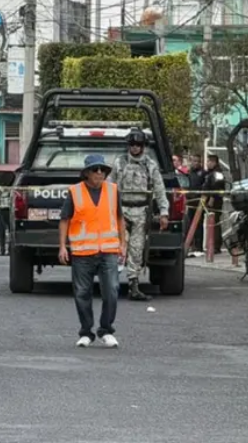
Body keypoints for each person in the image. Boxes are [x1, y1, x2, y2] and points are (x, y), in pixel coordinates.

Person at [58, 155, 125, 348]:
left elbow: (120, 218)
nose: (99, 173)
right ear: (86, 173)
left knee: (111, 291)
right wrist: (62, 246)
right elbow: (64, 220)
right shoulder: (75, 192)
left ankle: (106, 330)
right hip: (82, 252)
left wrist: (123, 244)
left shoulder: (113, 191)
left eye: (102, 170)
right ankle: (86, 332)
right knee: (82, 293)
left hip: (109, 250)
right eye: (95, 169)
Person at [110, 128, 168, 301]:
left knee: (137, 249)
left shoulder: (150, 165)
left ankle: (133, 286)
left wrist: (164, 212)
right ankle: (111, 283)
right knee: (118, 248)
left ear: (143, 146)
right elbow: (110, 187)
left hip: (141, 212)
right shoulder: (119, 163)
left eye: (138, 145)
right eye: (132, 144)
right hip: (121, 211)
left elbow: (159, 189)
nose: (135, 148)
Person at [202, 155, 226, 255]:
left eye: (210, 161)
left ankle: (216, 246)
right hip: (208, 199)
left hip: (215, 201)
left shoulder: (218, 173)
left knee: (214, 223)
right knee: (211, 222)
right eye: (208, 161)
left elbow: (217, 186)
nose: (208, 163)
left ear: (215, 162)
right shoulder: (210, 173)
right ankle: (212, 245)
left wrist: (211, 198)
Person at [186, 154, 207, 255]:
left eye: (198, 161)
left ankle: (199, 246)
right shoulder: (189, 173)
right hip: (190, 201)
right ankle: (191, 245)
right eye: (194, 161)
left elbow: (206, 186)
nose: (196, 163)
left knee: (199, 224)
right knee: (190, 224)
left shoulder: (203, 173)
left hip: (199, 201)